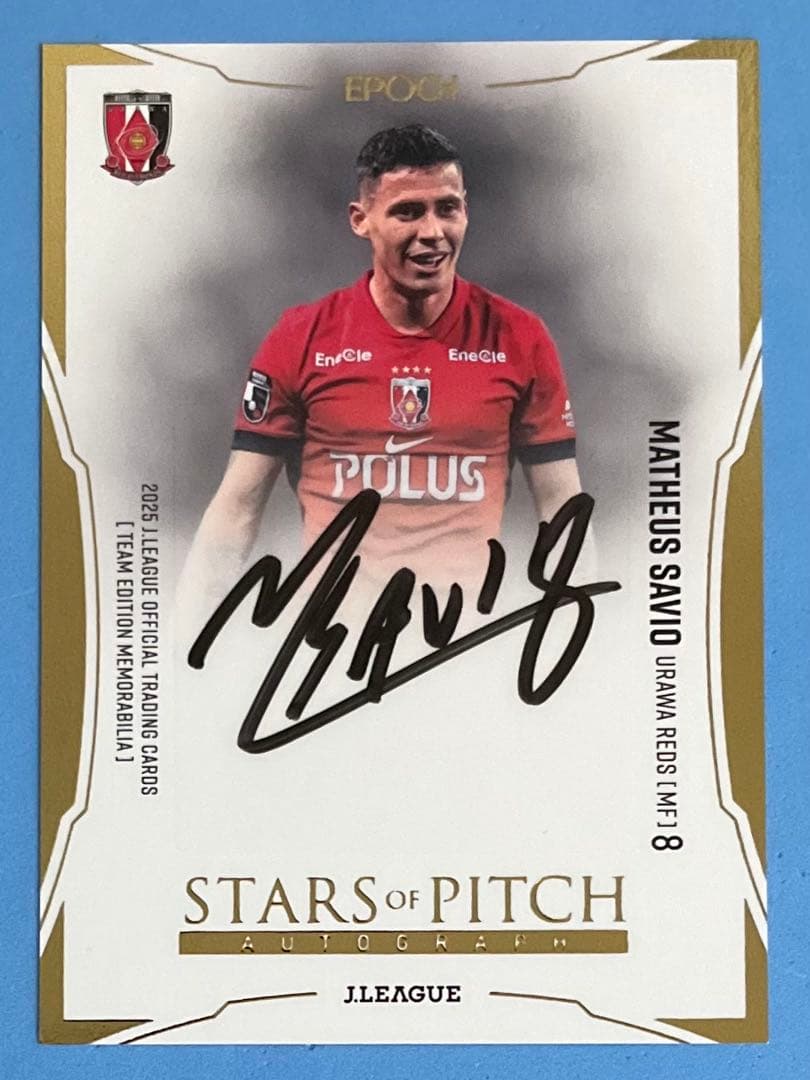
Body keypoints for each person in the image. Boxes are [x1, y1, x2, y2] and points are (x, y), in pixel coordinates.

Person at [183, 123, 582, 613]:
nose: (432, 233)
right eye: (408, 212)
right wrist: (192, 635)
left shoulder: (520, 338)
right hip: (332, 638)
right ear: (361, 220)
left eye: (447, 208)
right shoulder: (301, 338)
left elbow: (562, 509)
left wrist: (577, 632)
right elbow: (238, 507)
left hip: (464, 635)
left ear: (465, 210)